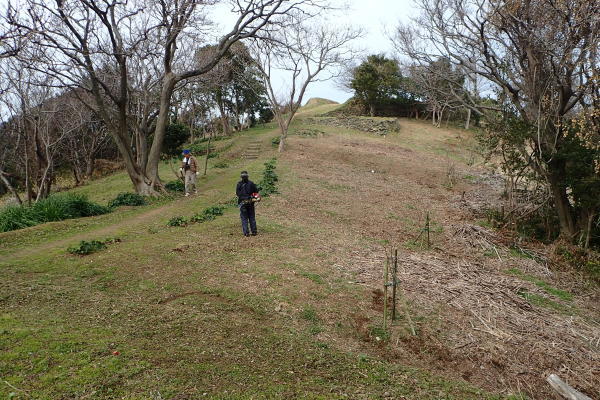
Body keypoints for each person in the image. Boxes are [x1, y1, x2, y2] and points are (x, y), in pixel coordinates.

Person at [236, 171, 259, 237]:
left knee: (244, 218)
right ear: (247, 177)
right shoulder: (251, 183)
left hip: (242, 203)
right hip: (250, 202)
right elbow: (256, 192)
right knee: (252, 217)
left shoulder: (239, 184)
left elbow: (237, 193)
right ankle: (254, 232)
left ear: (241, 177)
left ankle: (246, 233)